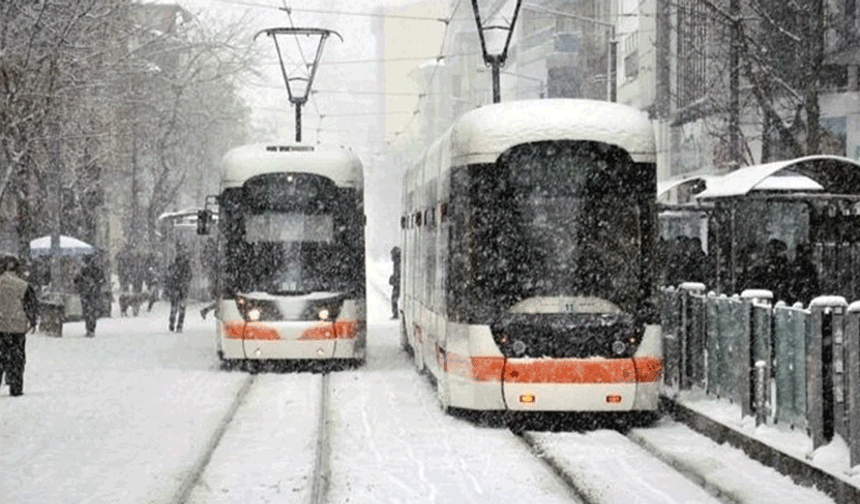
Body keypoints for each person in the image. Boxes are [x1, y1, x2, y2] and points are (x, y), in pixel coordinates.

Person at [0, 254, 38, 396]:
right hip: (17, 326)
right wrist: (32, 321)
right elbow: (31, 305)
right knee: (17, 357)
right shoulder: (23, 285)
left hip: (0, 325)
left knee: (1, 355)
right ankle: (15, 385)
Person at [74, 254, 106, 338]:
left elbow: (76, 281)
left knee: (87, 311)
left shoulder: (84, 270)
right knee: (91, 311)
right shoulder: (96, 270)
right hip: (92, 294)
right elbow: (103, 280)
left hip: (87, 294)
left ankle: (89, 328)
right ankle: (91, 328)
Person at [165, 250, 192, 333]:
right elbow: (190, 276)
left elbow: (168, 277)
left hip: (175, 289)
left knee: (174, 307)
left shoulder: (173, 267)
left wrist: (170, 287)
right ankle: (179, 325)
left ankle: (172, 322)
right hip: (182, 289)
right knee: (182, 308)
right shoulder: (186, 267)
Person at [389, 246, 401, 319]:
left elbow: (398, 273)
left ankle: (395, 313)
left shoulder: (398, 262)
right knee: (394, 299)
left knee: (394, 299)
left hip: (398, 284)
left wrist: (394, 279)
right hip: (398, 283)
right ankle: (395, 313)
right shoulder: (397, 262)